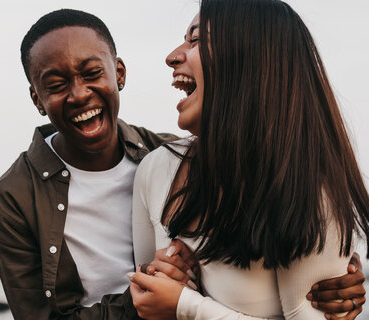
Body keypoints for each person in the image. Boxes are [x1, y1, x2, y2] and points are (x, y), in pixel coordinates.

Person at [0, 6, 364, 320]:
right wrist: (150, 296)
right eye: (56, 85)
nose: (79, 94)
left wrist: (332, 270)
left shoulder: (160, 156)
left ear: (119, 73)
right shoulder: (14, 198)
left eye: (91, 73)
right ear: (37, 99)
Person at [129, 0, 369, 319]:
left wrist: (185, 305)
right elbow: (148, 302)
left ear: (249, 59)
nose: (172, 56)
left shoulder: (309, 191)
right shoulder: (156, 169)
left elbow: (173, 305)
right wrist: (157, 280)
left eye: (196, 39)